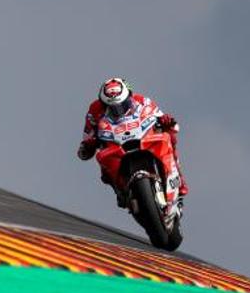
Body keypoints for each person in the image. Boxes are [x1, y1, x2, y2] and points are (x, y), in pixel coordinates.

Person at [77, 77, 189, 205]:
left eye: (123, 105)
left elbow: (168, 122)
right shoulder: (94, 110)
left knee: (170, 138)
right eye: (112, 107)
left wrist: (166, 122)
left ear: (129, 96)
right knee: (103, 166)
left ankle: (179, 179)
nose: (118, 110)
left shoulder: (143, 101)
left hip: (142, 137)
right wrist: (87, 145)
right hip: (115, 143)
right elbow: (87, 135)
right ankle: (120, 190)